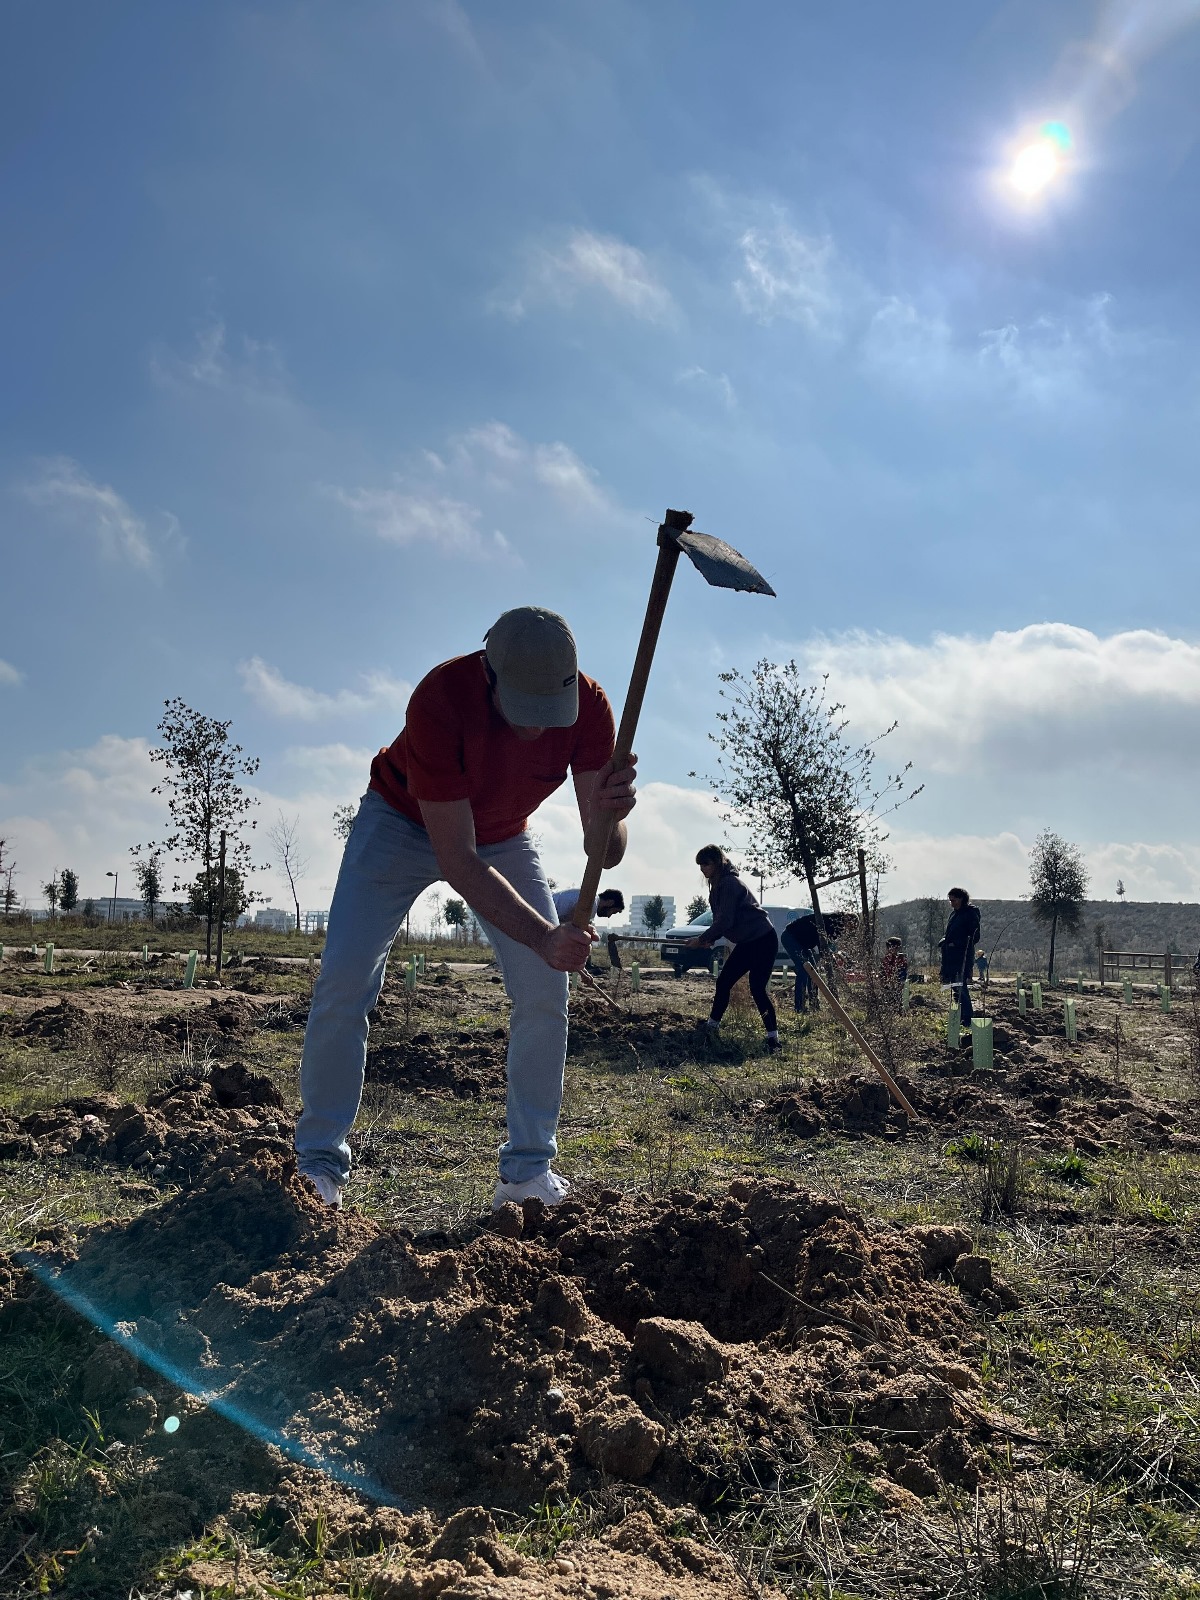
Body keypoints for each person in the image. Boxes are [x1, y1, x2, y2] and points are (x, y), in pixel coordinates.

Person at [294, 607, 636, 1213]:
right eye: (522, 713)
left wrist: (614, 814)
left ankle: (528, 1173)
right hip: (400, 819)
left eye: (546, 716)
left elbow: (601, 852)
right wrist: (542, 934)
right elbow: (456, 858)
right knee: (344, 981)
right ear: (489, 674)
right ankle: (318, 1164)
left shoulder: (591, 708)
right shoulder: (440, 698)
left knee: (543, 991)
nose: (535, 732)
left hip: (504, 832)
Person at [688, 846, 781, 1053]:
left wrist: (703, 938)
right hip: (748, 942)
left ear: (717, 863)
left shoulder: (729, 884)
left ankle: (773, 1040)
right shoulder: (719, 885)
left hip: (763, 940)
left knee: (757, 988)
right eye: (700, 865)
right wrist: (709, 940)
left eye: (706, 864)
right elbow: (722, 921)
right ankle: (712, 1026)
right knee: (724, 982)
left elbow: (726, 920)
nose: (702, 869)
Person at [779, 910, 856, 1012]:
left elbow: (826, 948)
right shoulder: (831, 923)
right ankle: (799, 1008)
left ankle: (814, 1005)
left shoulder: (837, 925)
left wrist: (832, 960)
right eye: (849, 927)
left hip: (802, 943)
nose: (848, 930)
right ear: (847, 920)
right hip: (791, 937)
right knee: (804, 970)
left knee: (814, 973)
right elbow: (823, 948)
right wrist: (832, 962)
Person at [552, 887, 625, 972]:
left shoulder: (590, 899)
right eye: (613, 912)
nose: (609, 916)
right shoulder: (591, 903)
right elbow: (571, 927)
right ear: (610, 902)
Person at [939, 886, 981, 1028]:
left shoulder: (970, 913)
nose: (952, 903)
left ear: (962, 899)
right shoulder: (954, 914)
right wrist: (945, 940)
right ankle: (961, 1016)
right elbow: (951, 933)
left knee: (961, 986)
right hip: (950, 957)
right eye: (950, 901)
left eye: (954, 900)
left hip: (962, 956)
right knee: (955, 987)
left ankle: (968, 1018)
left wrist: (955, 944)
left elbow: (974, 936)